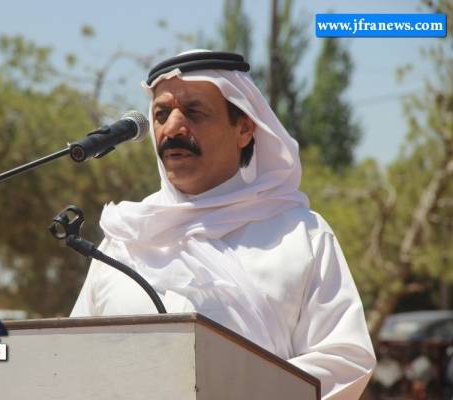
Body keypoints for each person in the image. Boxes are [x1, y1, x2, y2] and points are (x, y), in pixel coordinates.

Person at [70, 50, 376, 399]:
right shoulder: (126, 238)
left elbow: (345, 360)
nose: (172, 128)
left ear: (244, 128)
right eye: (161, 114)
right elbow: (72, 360)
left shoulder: (300, 234)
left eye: (194, 112)